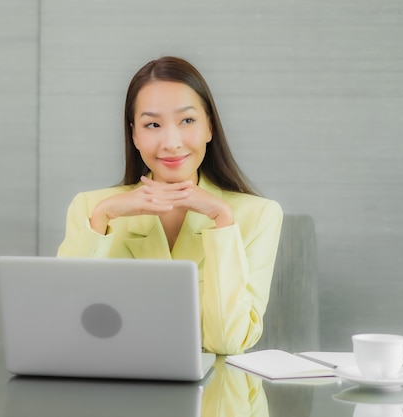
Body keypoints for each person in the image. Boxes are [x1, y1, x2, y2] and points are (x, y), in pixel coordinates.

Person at [57, 56, 283, 355]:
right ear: (134, 135)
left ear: (209, 128)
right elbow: (63, 325)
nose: (171, 142)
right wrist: (103, 216)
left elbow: (226, 342)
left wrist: (223, 220)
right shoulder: (91, 207)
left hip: (213, 397)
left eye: (187, 121)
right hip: (112, 391)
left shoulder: (258, 215)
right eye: (152, 124)